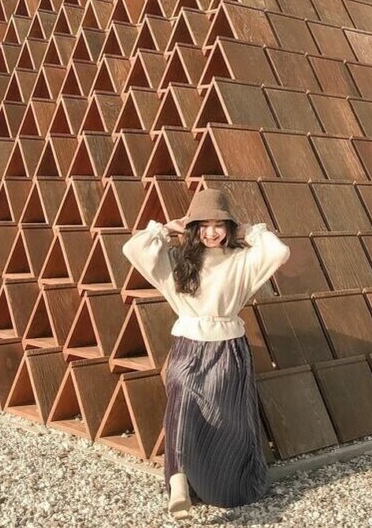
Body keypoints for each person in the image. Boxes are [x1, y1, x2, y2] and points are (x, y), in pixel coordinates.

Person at [121, 187, 290, 519]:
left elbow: (278, 251)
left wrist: (248, 231)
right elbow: (133, 248)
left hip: (227, 348)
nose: (211, 232)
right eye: (204, 225)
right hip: (187, 343)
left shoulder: (242, 261)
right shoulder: (176, 261)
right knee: (182, 400)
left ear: (229, 228)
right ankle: (179, 480)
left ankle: (226, 483)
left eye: (219, 225)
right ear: (193, 228)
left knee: (228, 419)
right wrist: (167, 227)